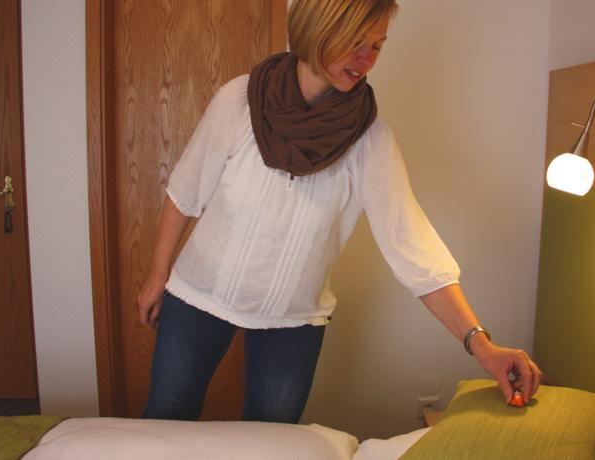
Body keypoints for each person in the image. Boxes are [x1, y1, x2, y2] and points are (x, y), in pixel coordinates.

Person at [136, 0, 542, 424]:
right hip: (197, 296)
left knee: (271, 446)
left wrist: (482, 344)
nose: (367, 59)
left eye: (377, 46)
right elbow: (185, 191)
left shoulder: (370, 142)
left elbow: (414, 249)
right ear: (319, 28)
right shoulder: (239, 100)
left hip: (292, 323)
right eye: (355, 41)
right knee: (163, 423)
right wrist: (157, 275)